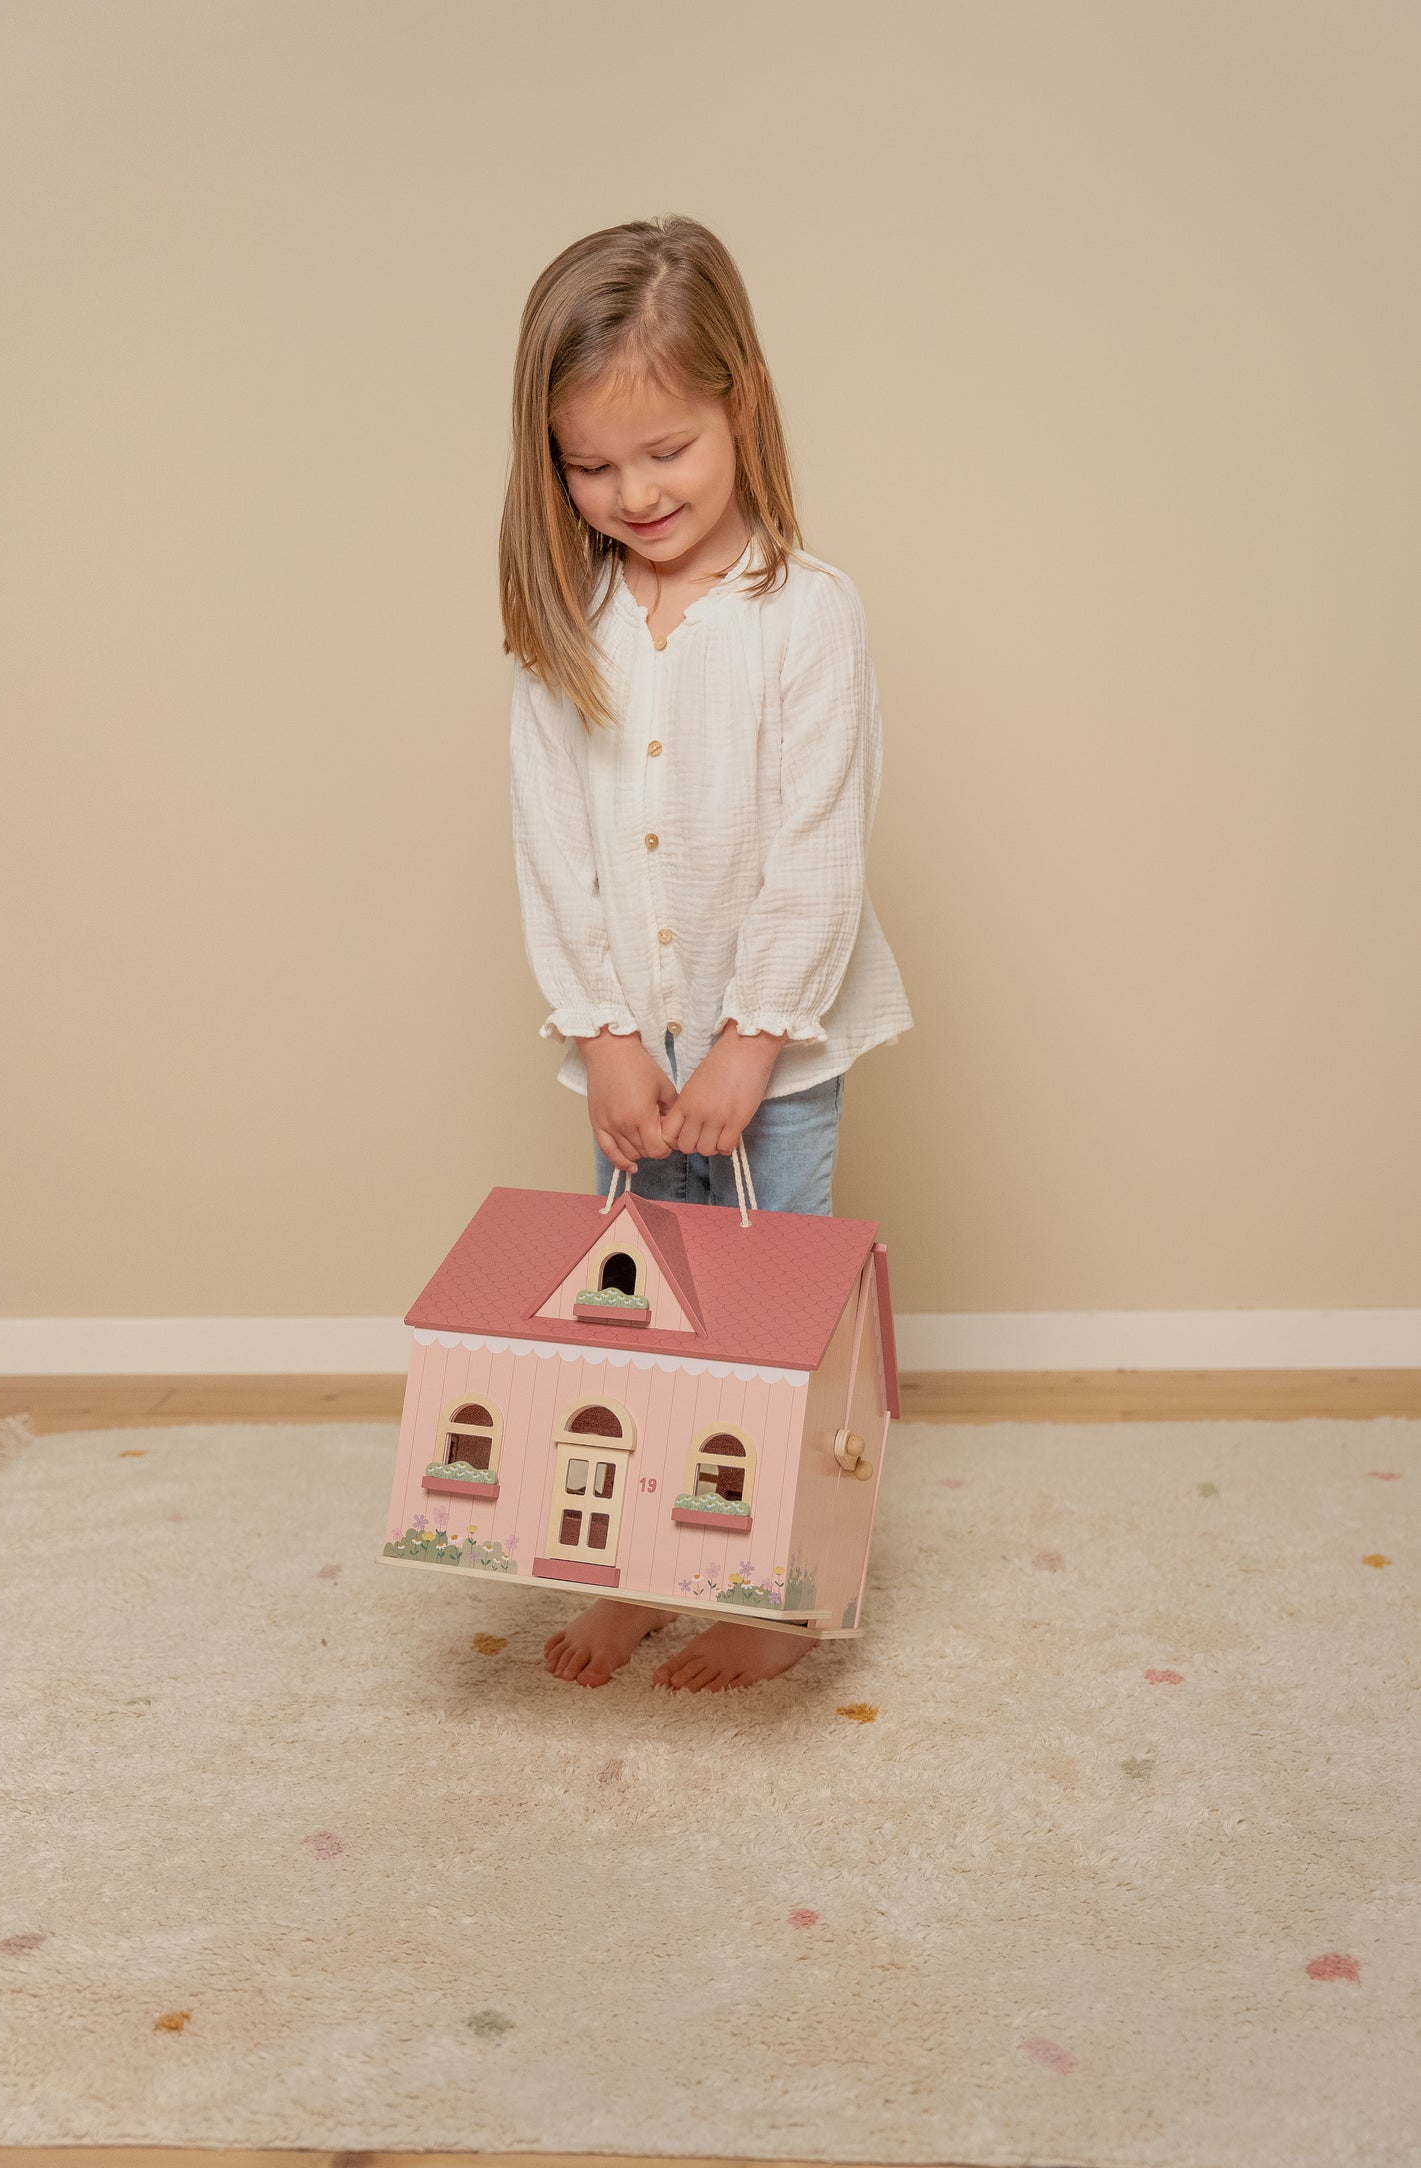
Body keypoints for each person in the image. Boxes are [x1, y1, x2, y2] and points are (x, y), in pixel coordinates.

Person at [498, 214, 912, 1692]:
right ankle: (628, 1570)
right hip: (632, 1044)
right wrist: (603, 1030)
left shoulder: (805, 616)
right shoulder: (570, 620)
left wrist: (753, 1038)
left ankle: (763, 1584)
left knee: (756, 1332)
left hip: (768, 1050)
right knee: (628, 1331)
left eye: (663, 450)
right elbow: (551, 839)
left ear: (738, 402)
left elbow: (818, 840)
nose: (630, 494)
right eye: (589, 467)